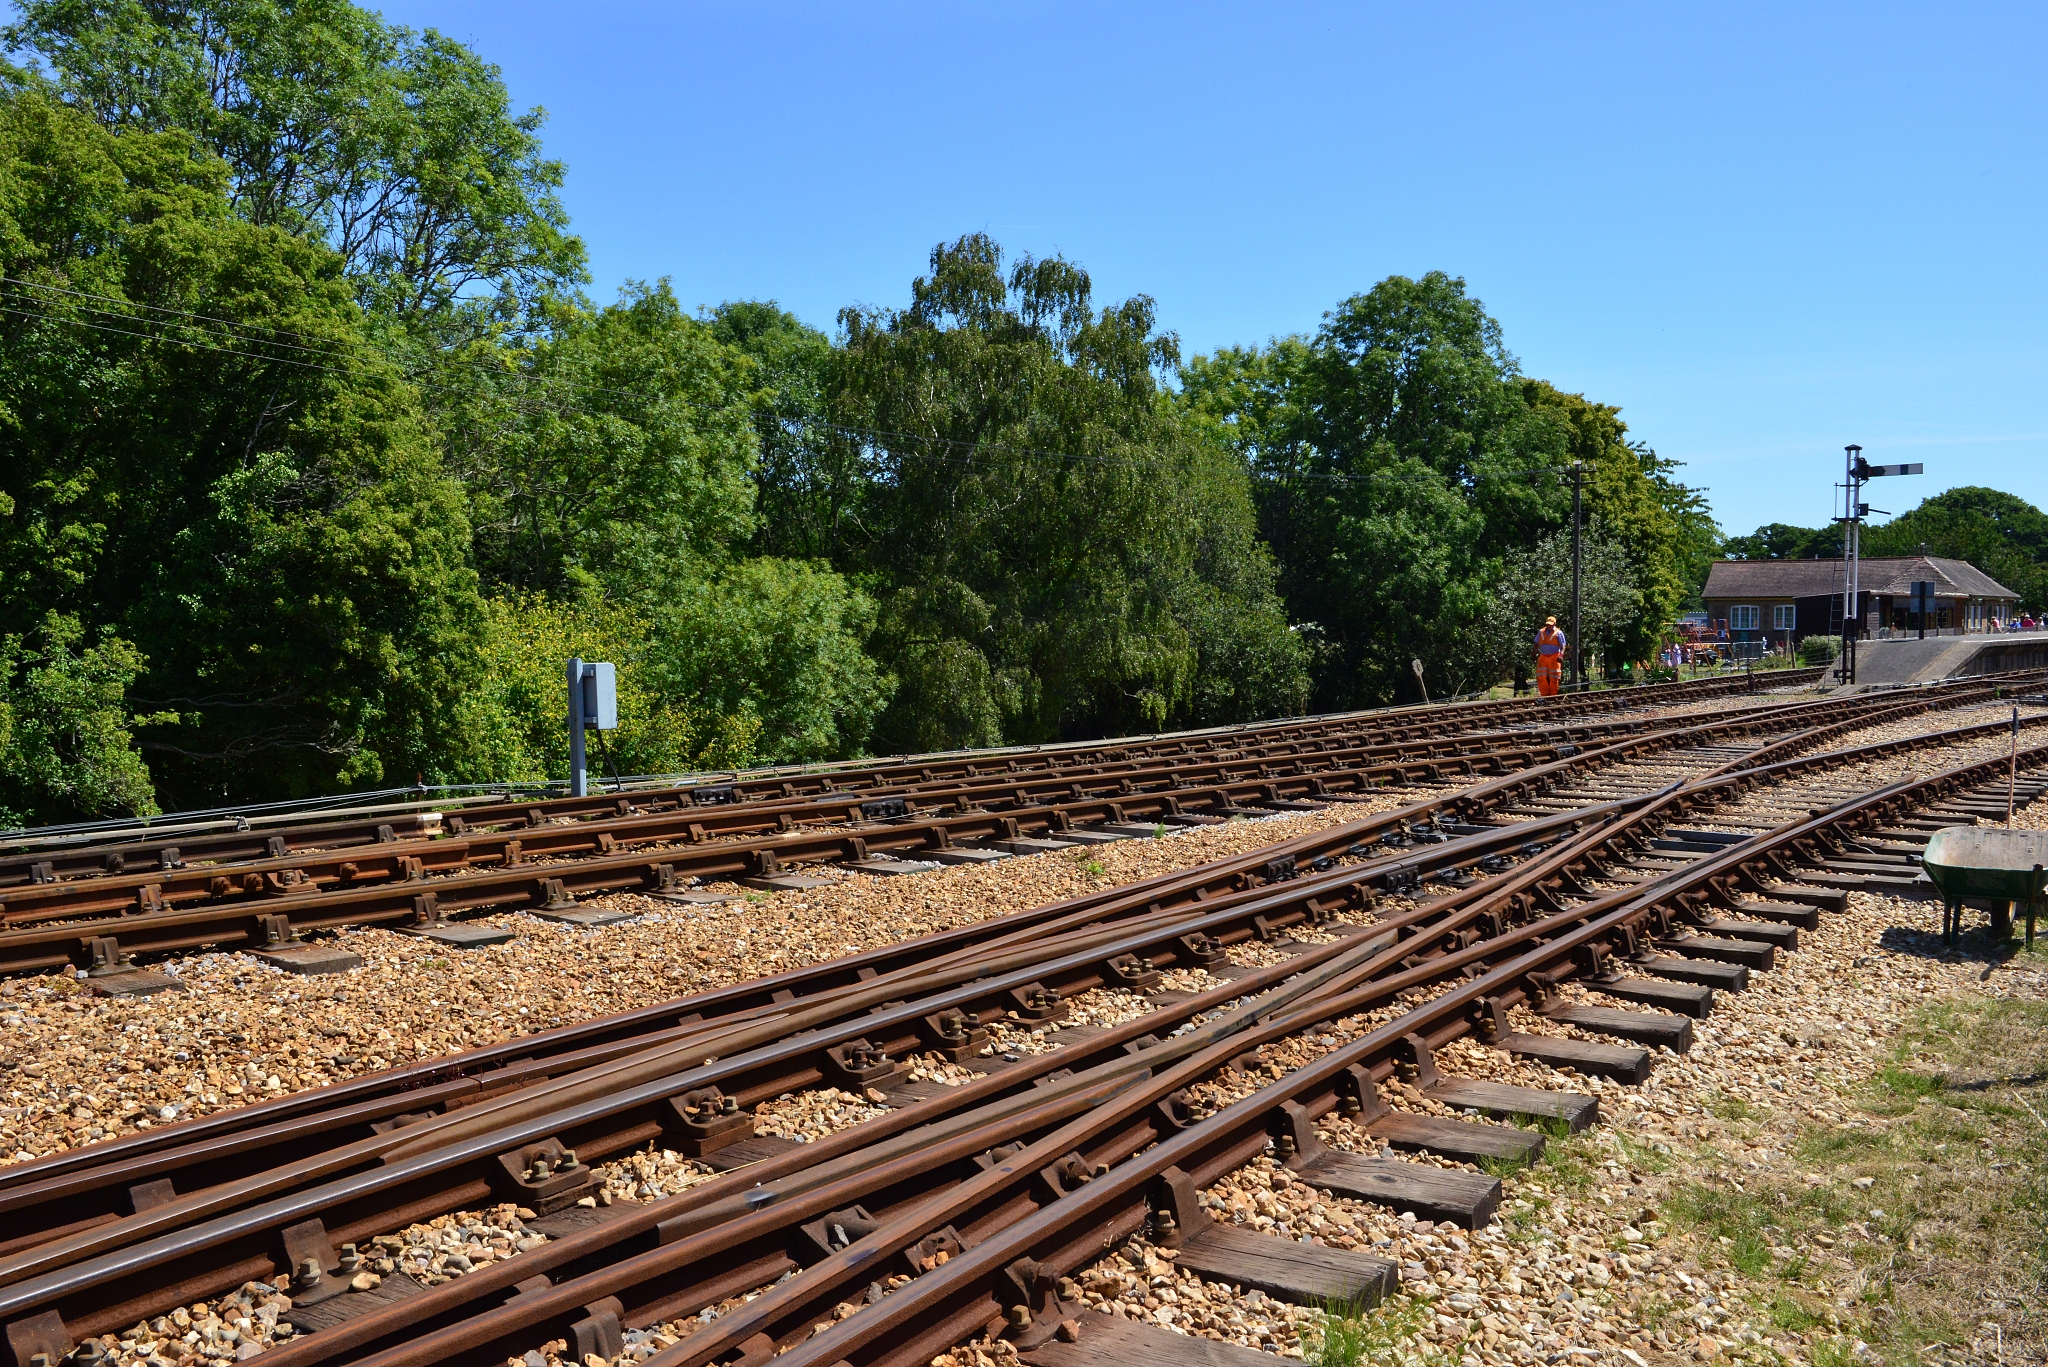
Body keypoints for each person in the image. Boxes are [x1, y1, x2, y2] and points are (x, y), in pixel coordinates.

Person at [1534, 617, 1567, 697]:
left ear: (1554, 624)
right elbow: (1536, 643)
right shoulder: (1541, 632)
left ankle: (1553, 696)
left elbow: (1563, 645)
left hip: (1554, 657)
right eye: (1547, 624)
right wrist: (1533, 653)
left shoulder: (1558, 633)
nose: (1549, 626)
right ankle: (1544, 695)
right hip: (1543, 657)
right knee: (1541, 676)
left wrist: (1561, 655)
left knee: (1554, 677)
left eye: (1550, 625)